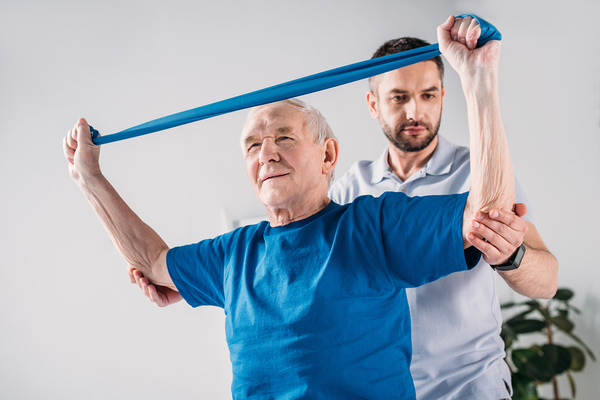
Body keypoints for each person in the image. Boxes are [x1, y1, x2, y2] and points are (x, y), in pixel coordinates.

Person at [66, 16, 523, 399]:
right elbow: (150, 261)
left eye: (283, 137)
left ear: (327, 156)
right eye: (252, 145)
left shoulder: (372, 226)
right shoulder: (234, 255)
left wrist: (480, 80)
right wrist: (90, 178)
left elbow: (490, 215)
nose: (266, 154)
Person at [327, 16, 559, 400]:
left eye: (428, 95)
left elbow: (547, 280)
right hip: (382, 388)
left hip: (471, 386)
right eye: (398, 97)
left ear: (443, 97)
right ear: (373, 104)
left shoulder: (483, 172)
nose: (415, 111)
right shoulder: (349, 189)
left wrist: (511, 255)